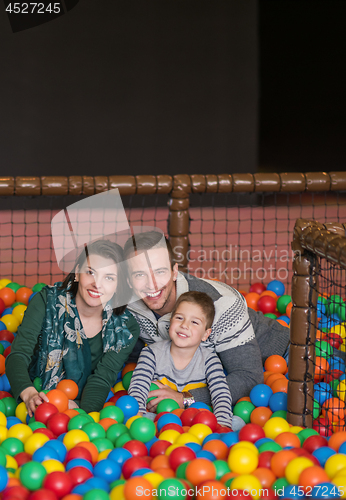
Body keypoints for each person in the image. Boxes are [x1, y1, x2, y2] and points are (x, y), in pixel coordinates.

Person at [124, 230, 290, 409]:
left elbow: (248, 377)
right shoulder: (128, 307)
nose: (152, 284)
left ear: (174, 271)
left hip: (278, 362)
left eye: (160, 272)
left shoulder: (221, 304)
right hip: (202, 377)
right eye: (139, 274)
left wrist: (184, 398)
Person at [6, 239, 139, 416]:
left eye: (109, 277)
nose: (97, 284)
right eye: (90, 272)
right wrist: (29, 393)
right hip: (38, 393)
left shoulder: (125, 328)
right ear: (77, 273)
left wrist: (83, 416)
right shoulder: (46, 301)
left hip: (79, 405)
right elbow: (18, 354)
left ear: (117, 285)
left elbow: (101, 379)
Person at [128, 291, 233, 428]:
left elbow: (221, 393)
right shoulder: (152, 353)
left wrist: (222, 425)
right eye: (179, 318)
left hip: (198, 421)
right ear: (170, 321)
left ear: (205, 334)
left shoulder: (209, 359)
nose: (184, 325)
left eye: (194, 322)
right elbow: (138, 385)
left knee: (235, 422)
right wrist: (138, 416)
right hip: (159, 419)